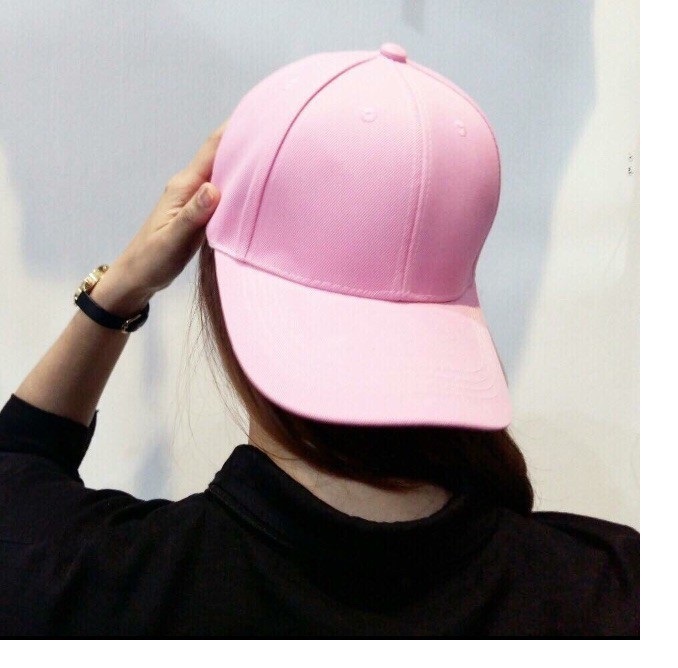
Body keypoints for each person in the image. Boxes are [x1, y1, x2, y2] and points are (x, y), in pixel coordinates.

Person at [0, 43, 638, 637]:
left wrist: (116, 294)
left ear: (216, 281)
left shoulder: (93, 580)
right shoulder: (616, 587)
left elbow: (18, 463)